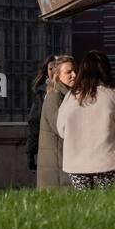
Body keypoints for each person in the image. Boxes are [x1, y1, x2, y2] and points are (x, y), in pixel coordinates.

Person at [57, 51, 115, 190]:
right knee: (109, 205)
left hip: (76, 164)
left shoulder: (70, 97)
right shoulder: (114, 95)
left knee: (83, 206)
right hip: (105, 162)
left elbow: (61, 130)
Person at [37, 55, 76, 189]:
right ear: (58, 76)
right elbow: (60, 128)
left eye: (74, 70)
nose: (74, 75)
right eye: (69, 72)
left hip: (61, 163)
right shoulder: (55, 96)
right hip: (56, 167)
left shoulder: (67, 95)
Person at [26, 55, 56, 174]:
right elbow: (35, 119)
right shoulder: (40, 91)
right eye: (50, 68)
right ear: (46, 71)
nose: (53, 71)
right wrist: (31, 152)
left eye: (56, 68)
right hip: (46, 136)